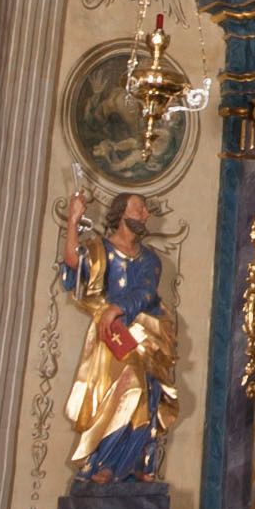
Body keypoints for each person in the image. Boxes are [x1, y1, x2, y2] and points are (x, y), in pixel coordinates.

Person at [60, 183, 176, 482]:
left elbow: (146, 292)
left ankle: (131, 463)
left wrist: (118, 308)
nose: (145, 214)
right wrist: (73, 219)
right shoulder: (101, 249)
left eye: (145, 210)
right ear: (121, 214)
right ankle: (104, 461)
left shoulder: (149, 259)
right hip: (111, 335)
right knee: (123, 388)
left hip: (145, 336)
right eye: (139, 209)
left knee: (145, 394)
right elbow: (74, 262)